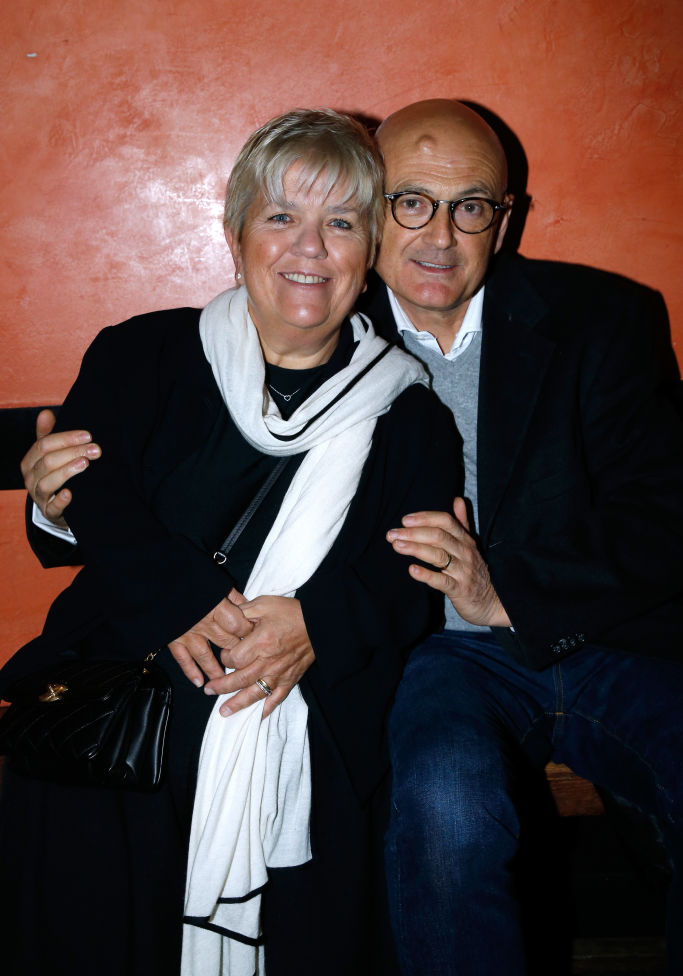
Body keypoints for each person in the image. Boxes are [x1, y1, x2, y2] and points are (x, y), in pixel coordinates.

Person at [18, 100, 683, 975]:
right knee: (438, 807)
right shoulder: (222, 331)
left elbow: (653, 516)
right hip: (360, 665)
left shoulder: (538, 345)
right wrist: (67, 512)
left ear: (503, 216)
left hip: (574, 641)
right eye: (409, 202)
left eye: (470, 205)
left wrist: (449, 602)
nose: (439, 235)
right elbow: (117, 482)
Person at [0, 107, 460, 976]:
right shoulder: (143, 354)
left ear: (369, 253)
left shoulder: (410, 414)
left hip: (303, 723)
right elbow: (87, 495)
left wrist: (315, 621)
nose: (309, 249)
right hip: (117, 720)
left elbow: (409, 575)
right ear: (233, 233)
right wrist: (182, 601)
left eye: (340, 223)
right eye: (281, 216)